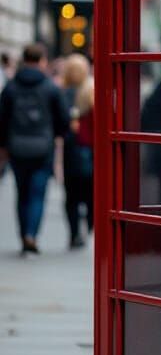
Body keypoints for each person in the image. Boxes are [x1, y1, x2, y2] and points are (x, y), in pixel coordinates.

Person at [0, 44, 71, 255]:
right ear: (42, 60)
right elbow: (63, 118)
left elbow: (1, 119)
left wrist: (3, 145)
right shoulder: (50, 87)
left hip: (17, 147)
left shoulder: (11, 87)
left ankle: (24, 234)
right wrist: (57, 135)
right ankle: (32, 233)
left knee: (22, 193)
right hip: (43, 147)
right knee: (38, 193)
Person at [61, 54, 95, 249]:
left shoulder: (62, 92)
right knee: (91, 192)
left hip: (71, 150)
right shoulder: (92, 90)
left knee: (71, 196)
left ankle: (74, 233)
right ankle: (91, 226)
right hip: (90, 148)